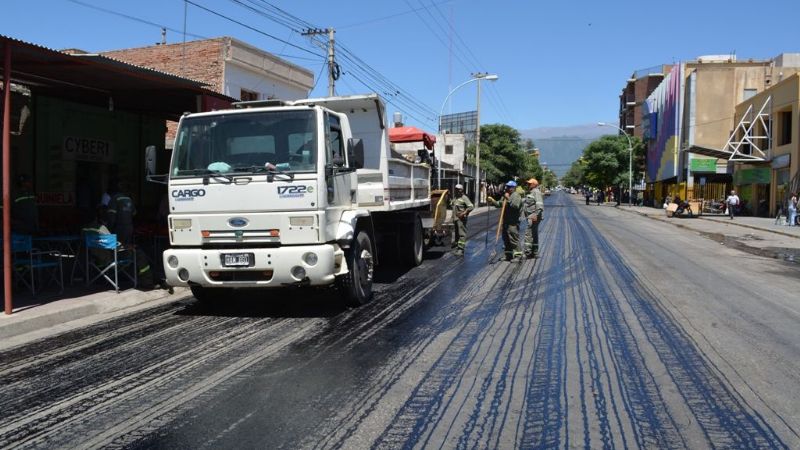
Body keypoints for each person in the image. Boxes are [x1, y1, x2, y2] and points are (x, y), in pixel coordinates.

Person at [83, 208, 155, 290]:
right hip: (111, 259)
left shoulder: (83, 230)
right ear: (96, 218)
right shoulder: (100, 228)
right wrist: (129, 246)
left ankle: (124, 276)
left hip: (96, 260)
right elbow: (115, 245)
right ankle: (147, 282)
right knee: (138, 252)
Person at [488, 180, 523, 261]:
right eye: (507, 186)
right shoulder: (506, 195)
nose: (508, 188)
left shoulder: (516, 195)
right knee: (506, 238)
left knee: (513, 239)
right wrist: (492, 201)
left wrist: (508, 198)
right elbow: (500, 204)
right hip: (506, 221)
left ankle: (518, 255)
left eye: (510, 187)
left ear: (514, 188)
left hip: (513, 222)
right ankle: (508, 255)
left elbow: (516, 206)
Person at [106, 179, 137, 246]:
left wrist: (108, 230)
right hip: (129, 228)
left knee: (117, 249)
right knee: (126, 248)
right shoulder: (129, 199)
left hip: (119, 228)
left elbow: (111, 217)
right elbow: (134, 213)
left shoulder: (114, 199)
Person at [522, 178, 544, 258]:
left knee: (529, 234)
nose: (528, 185)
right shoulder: (531, 192)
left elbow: (539, 205)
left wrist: (535, 214)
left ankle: (528, 252)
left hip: (533, 216)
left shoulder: (536, 192)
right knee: (534, 234)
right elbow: (527, 201)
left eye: (530, 183)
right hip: (532, 216)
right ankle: (534, 252)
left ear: (534, 184)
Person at [450, 184, 474, 256]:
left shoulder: (464, 198)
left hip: (461, 219)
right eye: (456, 189)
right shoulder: (455, 198)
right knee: (457, 234)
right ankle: (458, 247)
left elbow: (471, 207)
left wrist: (464, 213)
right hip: (455, 219)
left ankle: (461, 249)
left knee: (462, 234)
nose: (457, 190)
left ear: (462, 190)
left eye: (459, 189)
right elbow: (452, 204)